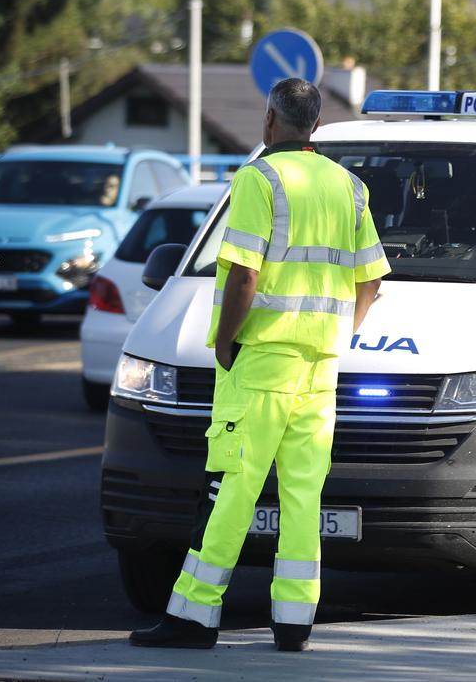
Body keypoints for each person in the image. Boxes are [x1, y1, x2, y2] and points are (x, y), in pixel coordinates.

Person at [130, 78, 389, 652]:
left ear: (270, 119)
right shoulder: (349, 187)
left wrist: (225, 341)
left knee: (233, 487)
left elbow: (245, 273)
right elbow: (371, 281)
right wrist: (337, 334)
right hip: (320, 366)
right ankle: (294, 622)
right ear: (317, 125)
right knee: (303, 493)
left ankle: (195, 615)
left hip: (263, 361)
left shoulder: (258, 178)